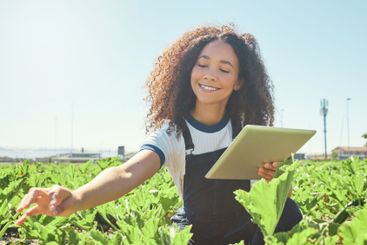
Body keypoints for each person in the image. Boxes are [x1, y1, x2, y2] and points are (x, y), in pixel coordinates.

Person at [16, 25, 302, 244]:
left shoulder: (246, 130)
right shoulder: (173, 132)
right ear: (187, 70)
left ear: (239, 82)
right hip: (195, 232)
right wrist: (77, 198)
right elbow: (127, 173)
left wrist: (273, 179)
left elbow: (276, 196)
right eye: (202, 64)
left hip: (243, 229)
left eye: (224, 69)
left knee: (289, 210)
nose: (210, 74)